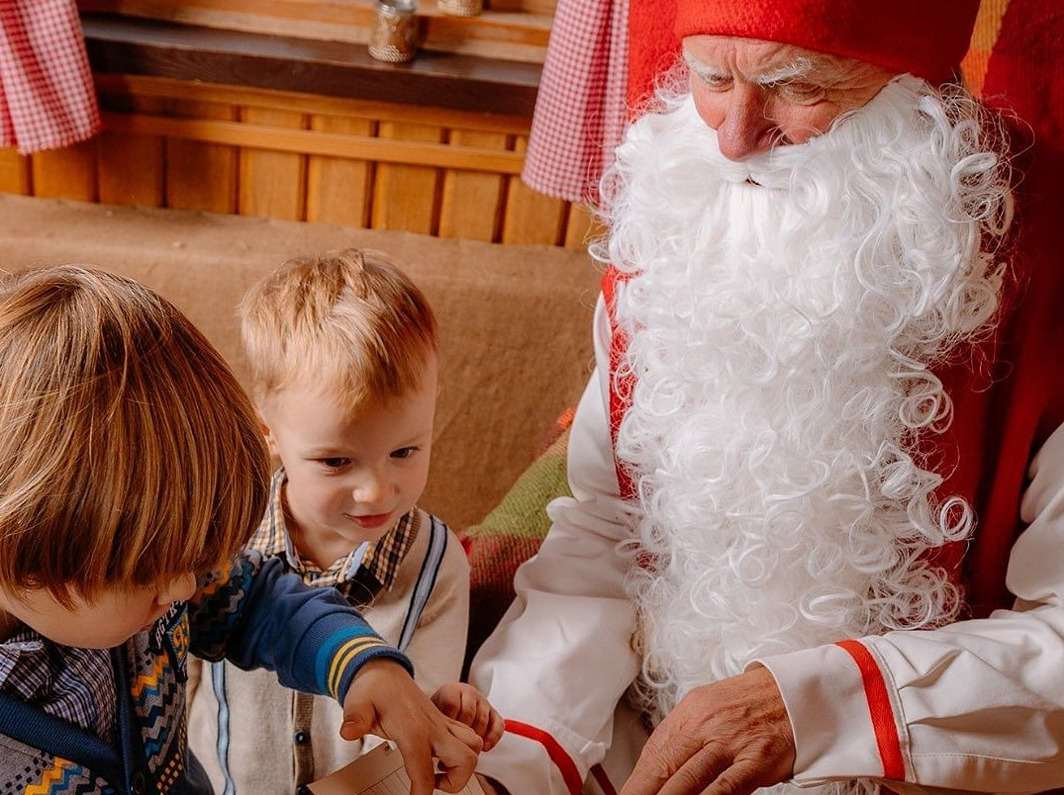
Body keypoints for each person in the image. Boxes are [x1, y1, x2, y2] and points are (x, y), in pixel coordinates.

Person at [470, 2, 1064, 793]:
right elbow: (603, 539)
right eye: (712, 78)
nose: (734, 137)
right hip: (655, 741)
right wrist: (515, 756)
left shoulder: (1045, 270)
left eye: (796, 85)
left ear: (912, 84)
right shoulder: (680, 219)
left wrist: (812, 708)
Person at [0, 265, 486, 795]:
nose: (186, 588)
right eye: (148, 572)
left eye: (192, 559)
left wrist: (364, 667)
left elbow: (256, 598)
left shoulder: (143, 573)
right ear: (17, 550)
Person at [188, 248, 501, 791]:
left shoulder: (436, 563)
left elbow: (411, 725)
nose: (377, 490)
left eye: (405, 451)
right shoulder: (216, 537)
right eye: (336, 461)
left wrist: (445, 706)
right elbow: (171, 677)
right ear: (268, 432)